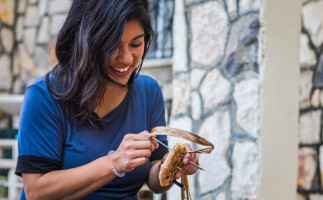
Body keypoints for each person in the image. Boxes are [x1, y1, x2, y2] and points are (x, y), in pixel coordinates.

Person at [15, 0, 199, 199]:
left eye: (136, 43)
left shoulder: (148, 91)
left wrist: (172, 166)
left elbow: (154, 177)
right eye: (114, 46)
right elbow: (36, 191)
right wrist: (114, 163)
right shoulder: (44, 96)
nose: (127, 58)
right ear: (85, 40)